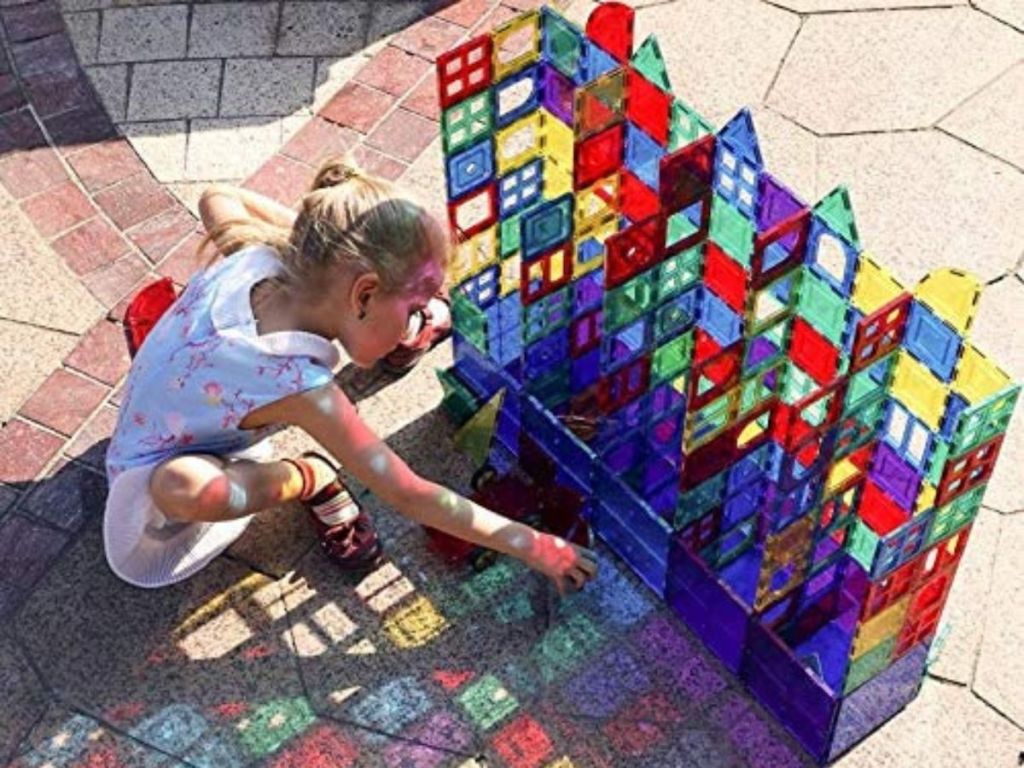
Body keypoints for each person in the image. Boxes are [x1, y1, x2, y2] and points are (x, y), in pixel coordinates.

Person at [102, 155, 598, 595]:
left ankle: (399, 338)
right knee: (183, 489)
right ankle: (311, 477)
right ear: (362, 296)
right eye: (415, 306)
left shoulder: (264, 254)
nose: (420, 309)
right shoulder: (300, 388)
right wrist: (534, 545)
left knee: (376, 328)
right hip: (164, 463)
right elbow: (408, 491)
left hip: (189, 396)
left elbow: (217, 196)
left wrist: (328, 254)